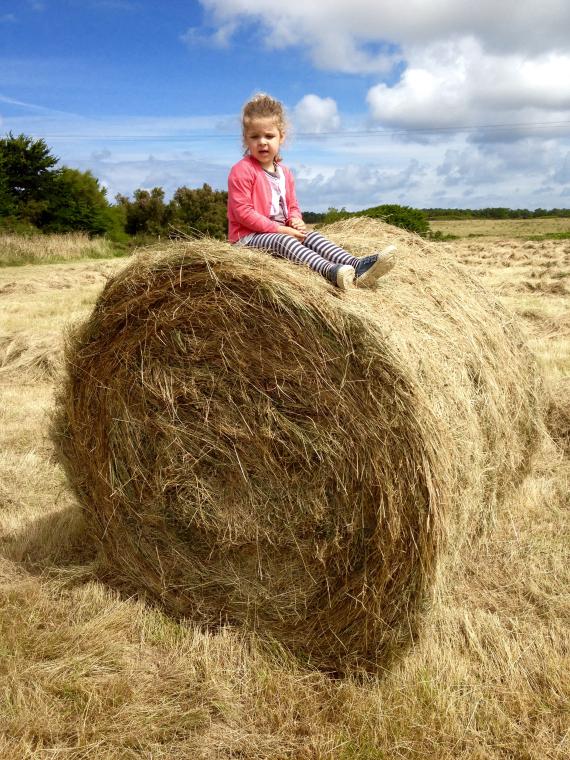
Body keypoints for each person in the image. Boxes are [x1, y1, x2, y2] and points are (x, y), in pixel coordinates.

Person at [227, 93, 396, 290]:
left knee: (312, 236)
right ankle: (330, 271)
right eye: (255, 137)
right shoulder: (242, 170)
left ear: (282, 137)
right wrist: (281, 229)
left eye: (269, 136)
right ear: (245, 139)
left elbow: (292, 206)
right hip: (248, 238)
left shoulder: (285, 173)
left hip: (280, 231)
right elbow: (243, 213)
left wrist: (295, 220)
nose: (262, 142)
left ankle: (357, 267)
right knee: (283, 241)